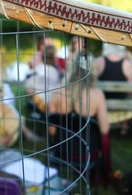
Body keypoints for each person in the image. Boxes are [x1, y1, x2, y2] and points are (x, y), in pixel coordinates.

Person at [48, 52, 111, 185]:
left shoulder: (57, 93)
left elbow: (52, 131)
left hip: (62, 153)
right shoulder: (97, 94)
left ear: (71, 68)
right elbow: (105, 130)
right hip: (89, 154)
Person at [26, 44, 61, 113]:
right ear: (54, 57)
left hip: (38, 100)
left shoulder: (37, 68)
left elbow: (28, 88)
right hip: (50, 103)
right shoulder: (55, 72)